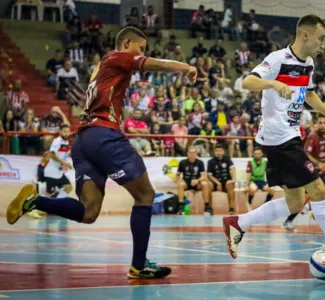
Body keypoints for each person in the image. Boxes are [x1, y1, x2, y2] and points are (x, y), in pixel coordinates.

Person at [6, 27, 197, 279]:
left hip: (82, 141)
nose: (141, 53)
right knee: (146, 195)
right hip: (103, 135)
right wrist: (185, 67)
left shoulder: (105, 70)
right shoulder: (115, 56)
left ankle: (35, 201)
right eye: (140, 47)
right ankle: (139, 265)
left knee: (89, 212)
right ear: (127, 42)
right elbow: (152, 65)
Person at [222, 15, 325, 268]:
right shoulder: (278, 59)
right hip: (279, 138)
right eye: (321, 38)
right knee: (319, 190)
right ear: (305, 35)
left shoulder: (308, 63)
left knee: (296, 202)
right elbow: (247, 82)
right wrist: (273, 83)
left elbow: (309, 94)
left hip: (287, 136)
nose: (323, 45)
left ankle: (238, 223)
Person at [282, 116, 325, 230]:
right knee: (302, 200)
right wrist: (319, 164)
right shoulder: (312, 136)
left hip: (323, 171)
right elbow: (306, 155)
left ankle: (314, 212)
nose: (322, 125)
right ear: (317, 124)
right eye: (320, 123)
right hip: (309, 170)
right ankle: (288, 221)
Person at [176, 146, 212, 215]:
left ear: (196, 153)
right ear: (187, 153)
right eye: (190, 153)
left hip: (197, 183)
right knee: (180, 184)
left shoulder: (200, 162)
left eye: (193, 153)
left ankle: (207, 207)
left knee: (205, 184)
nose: (192, 154)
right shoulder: (182, 162)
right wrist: (181, 180)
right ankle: (180, 207)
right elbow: (177, 175)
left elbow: (204, 176)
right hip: (186, 183)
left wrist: (197, 180)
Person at [207, 144, 236, 215]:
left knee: (230, 184)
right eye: (217, 151)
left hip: (226, 181)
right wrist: (217, 183)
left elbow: (233, 169)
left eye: (220, 150)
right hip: (215, 182)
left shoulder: (227, 159)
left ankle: (231, 208)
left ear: (223, 151)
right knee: (208, 185)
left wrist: (233, 179)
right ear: (214, 152)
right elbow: (209, 175)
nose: (219, 152)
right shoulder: (211, 161)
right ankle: (209, 209)